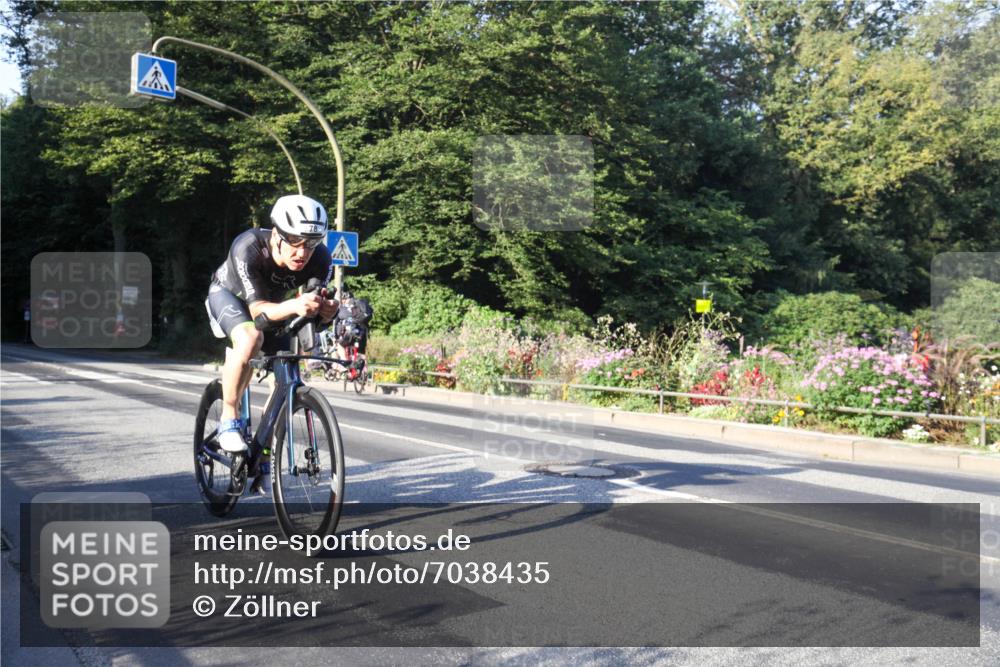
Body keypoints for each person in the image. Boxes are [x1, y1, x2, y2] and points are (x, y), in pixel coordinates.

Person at [205, 194, 338, 452]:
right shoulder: (249, 246)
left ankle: (264, 452)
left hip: (275, 306)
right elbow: (257, 314)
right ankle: (229, 419)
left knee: (285, 376)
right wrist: (295, 305)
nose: (303, 253)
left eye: (311, 244)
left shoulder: (321, 259)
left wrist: (326, 312)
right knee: (251, 337)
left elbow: (310, 311)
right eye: (296, 242)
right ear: (277, 234)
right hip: (230, 296)